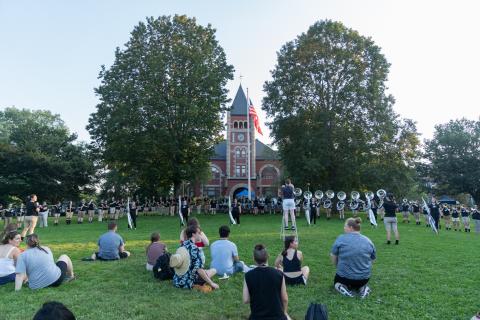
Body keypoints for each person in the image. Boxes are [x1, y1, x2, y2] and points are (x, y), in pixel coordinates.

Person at [330, 217, 376, 298]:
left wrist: (337, 267)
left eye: (345, 226)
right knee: (360, 283)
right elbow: (372, 259)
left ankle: (344, 289)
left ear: (350, 228)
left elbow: (333, 256)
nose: (344, 228)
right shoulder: (368, 241)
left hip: (344, 277)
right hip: (364, 278)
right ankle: (363, 288)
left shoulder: (341, 239)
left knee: (337, 283)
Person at [243, 244, 290, 320]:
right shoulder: (279, 274)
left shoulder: (248, 275)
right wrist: (284, 313)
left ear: (254, 258)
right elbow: (285, 299)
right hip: (277, 317)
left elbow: (246, 300)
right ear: (268, 256)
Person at [171, 225, 218, 290]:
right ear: (193, 234)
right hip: (189, 282)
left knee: (206, 271)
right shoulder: (195, 248)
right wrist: (211, 283)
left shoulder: (182, 245)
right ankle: (198, 284)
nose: (200, 235)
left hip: (177, 280)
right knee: (213, 270)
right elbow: (199, 270)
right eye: (199, 233)